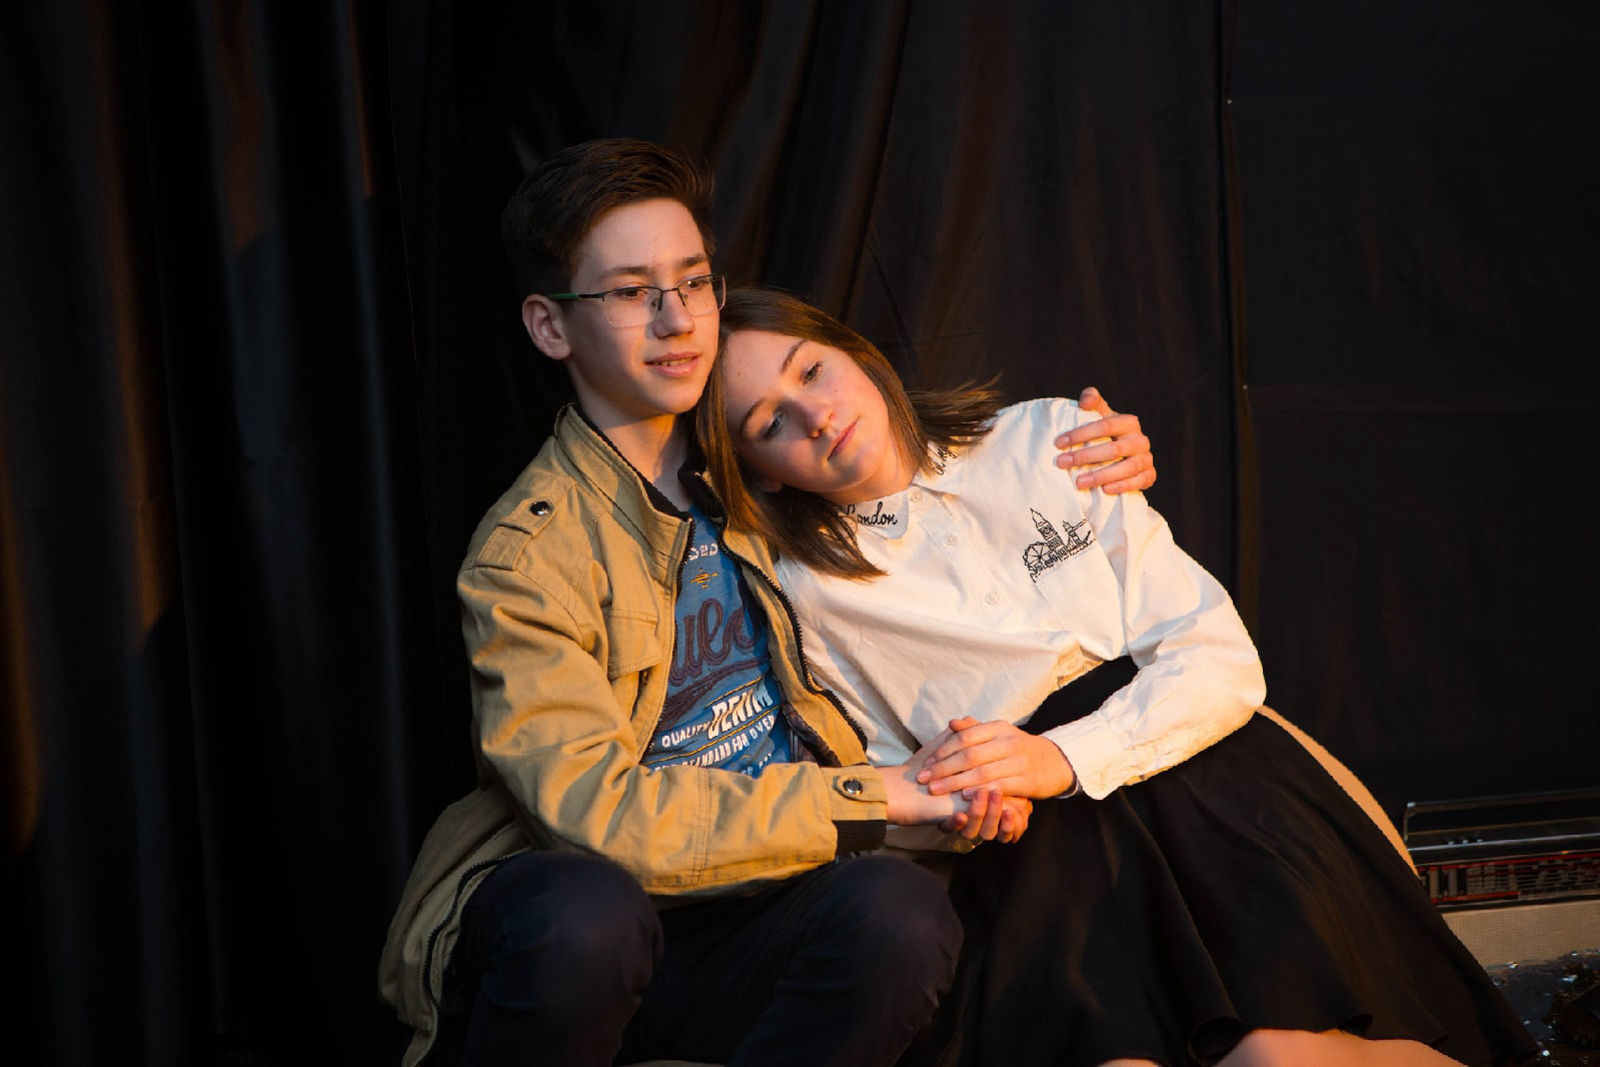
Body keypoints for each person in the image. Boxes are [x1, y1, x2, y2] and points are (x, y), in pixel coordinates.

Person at [376, 139, 1157, 1067]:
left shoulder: (764, 462)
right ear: (551, 327)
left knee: (900, 913)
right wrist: (885, 793)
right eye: (631, 292)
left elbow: (928, 483)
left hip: (748, 916)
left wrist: (1081, 455)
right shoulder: (525, 555)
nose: (676, 319)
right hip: (581, 921)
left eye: (692, 281)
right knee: (589, 914)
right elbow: (597, 817)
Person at [698, 286, 1537, 1067]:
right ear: (758, 469)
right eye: (771, 423)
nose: (817, 415)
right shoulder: (798, 591)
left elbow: (1216, 656)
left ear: (855, 352)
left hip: (1201, 777)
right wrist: (966, 800)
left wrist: (1061, 756)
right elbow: (896, 778)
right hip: (1041, 851)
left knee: (1276, 1054)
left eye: (811, 369)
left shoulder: (1048, 438)